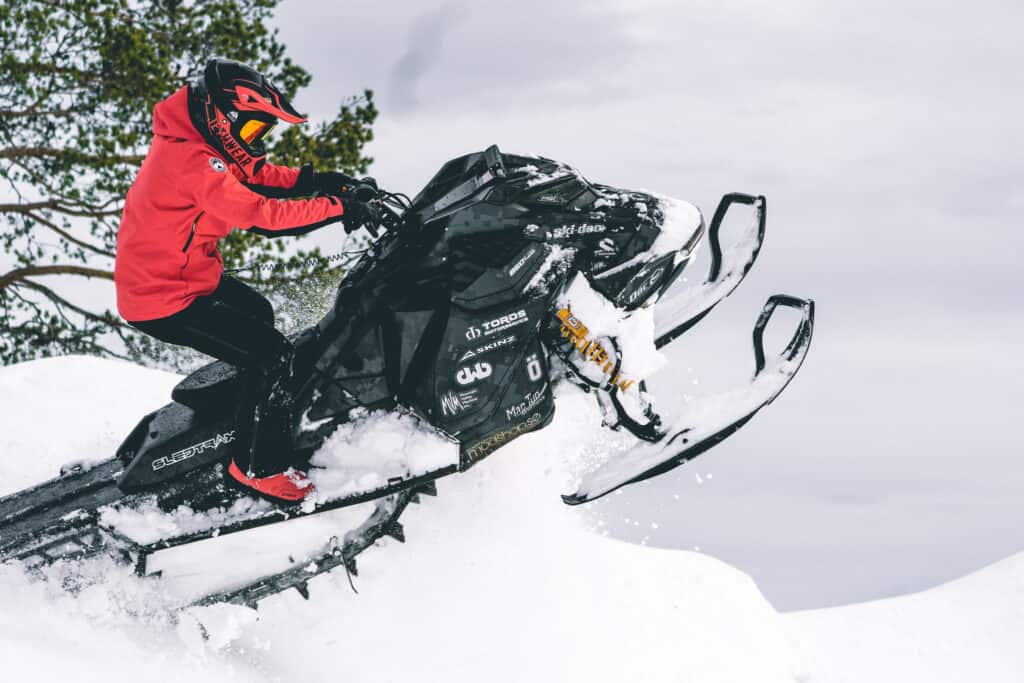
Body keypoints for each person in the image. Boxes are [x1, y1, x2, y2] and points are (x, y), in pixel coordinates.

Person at [115, 58, 376, 502]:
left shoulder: (196, 142)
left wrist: (324, 182)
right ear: (224, 118)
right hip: (162, 298)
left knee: (258, 314)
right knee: (272, 356)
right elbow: (262, 214)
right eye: (252, 128)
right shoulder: (192, 161)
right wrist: (339, 208)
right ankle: (256, 467)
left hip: (182, 278)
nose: (253, 140)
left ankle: (244, 419)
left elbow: (256, 177)